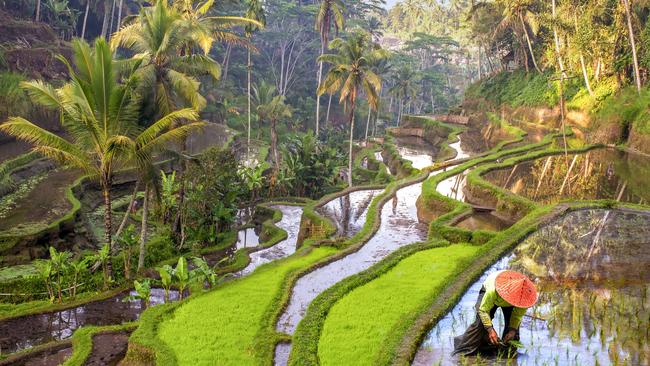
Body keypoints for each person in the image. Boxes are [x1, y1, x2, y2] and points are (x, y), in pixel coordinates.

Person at [453, 270, 538, 358]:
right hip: (493, 293)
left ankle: (506, 355)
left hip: (510, 295)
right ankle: (462, 353)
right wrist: (490, 329)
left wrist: (512, 330)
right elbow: (483, 310)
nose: (516, 302)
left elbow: (517, 316)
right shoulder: (493, 290)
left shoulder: (524, 299)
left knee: (513, 333)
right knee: (480, 324)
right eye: (514, 300)